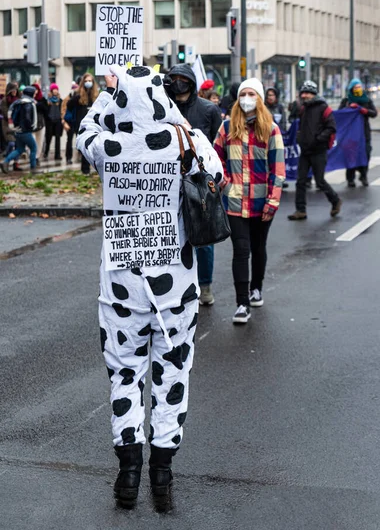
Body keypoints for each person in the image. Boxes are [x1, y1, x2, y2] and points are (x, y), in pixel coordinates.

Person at [76, 64, 223, 509]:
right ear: (162, 97)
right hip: (175, 291)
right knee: (172, 376)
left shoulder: (108, 147)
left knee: (124, 376)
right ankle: (162, 478)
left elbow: (85, 129)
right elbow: (214, 177)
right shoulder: (186, 140)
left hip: (120, 290)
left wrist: (108, 94)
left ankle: (127, 477)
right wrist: (176, 121)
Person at [214, 78, 285, 324]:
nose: (246, 98)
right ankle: (242, 302)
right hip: (234, 202)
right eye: (243, 93)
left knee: (258, 247)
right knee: (241, 250)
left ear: (260, 99)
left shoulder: (271, 129)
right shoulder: (226, 127)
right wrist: (223, 181)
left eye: (251, 94)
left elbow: (278, 169)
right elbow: (216, 158)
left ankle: (257, 288)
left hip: (261, 201)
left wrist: (272, 201)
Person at [164, 64, 222, 306]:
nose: (178, 83)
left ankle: (205, 285)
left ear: (190, 82)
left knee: (203, 237)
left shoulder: (208, 110)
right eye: (173, 79)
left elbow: (219, 145)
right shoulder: (163, 108)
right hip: (170, 182)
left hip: (200, 183)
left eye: (182, 79)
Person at [288, 81, 342, 221]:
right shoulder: (303, 108)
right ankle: (300, 210)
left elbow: (331, 127)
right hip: (305, 151)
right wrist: (301, 137)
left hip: (318, 150)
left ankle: (335, 201)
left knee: (320, 181)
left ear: (313, 94)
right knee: (300, 181)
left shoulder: (324, 108)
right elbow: (297, 122)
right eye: (302, 93)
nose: (304, 95)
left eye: (307, 93)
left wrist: (318, 139)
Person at [339, 78, 377, 187]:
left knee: (366, 153)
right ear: (351, 88)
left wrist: (364, 111)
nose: (358, 89)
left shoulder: (367, 100)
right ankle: (350, 178)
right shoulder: (346, 100)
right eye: (356, 87)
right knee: (351, 155)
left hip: (364, 132)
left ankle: (363, 175)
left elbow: (374, 113)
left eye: (359, 87)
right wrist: (349, 108)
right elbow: (340, 114)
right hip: (351, 133)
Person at [0, 86, 37, 173]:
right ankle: (33, 168)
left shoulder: (18, 102)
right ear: (30, 93)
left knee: (19, 149)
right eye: (34, 93)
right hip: (25, 131)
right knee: (33, 148)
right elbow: (27, 118)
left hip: (18, 130)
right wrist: (29, 127)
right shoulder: (28, 103)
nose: (35, 95)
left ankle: (5, 162)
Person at [67, 73, 99, 174]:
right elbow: (69, 105)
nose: (88, 83)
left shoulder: (96, 95)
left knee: (92, 147)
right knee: (84, 148)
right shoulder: (78, 96)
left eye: (90, 81)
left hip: (94, 125)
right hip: (81, 125)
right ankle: (85, 170)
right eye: (86, 81)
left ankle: (89, 168)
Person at [0, 82, 21, 170]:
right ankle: (6, 161)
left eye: (15, 89)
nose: (14, 91)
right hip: (7, 124)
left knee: (18, 144)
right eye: (13, 90)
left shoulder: (19, 99)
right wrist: (14, 114)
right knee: (11, 142)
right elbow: (5, 113)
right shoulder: (4, 101)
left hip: (17, 124)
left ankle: (15, 164)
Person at [62, 81, 79, 164]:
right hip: (69, 122)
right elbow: (63, 111)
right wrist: (64, 122)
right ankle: (68, 158)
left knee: (80, 140)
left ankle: (81, 157)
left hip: (78, 122)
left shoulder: (80, 98)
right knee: (69, 140)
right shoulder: (67, 99)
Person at [44, 83, 63, 161]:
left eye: (56, 89)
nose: (55, 91)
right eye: (54, 89)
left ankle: (57, 155)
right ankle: (46, 152)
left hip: (58, 121)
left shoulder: (60, 100)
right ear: (51, 91)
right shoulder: (48, 101)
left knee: (58, 138)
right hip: (50, 122)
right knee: (48, 138)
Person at [31, 83, 48, 166]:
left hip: (40, 124)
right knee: (32, 142)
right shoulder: (27, 100)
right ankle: (32, 157)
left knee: (39, 142)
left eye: (36, 89)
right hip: (31, 125)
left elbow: (46, 110)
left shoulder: (42, 99)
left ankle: (37, 157)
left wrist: (37, 104)